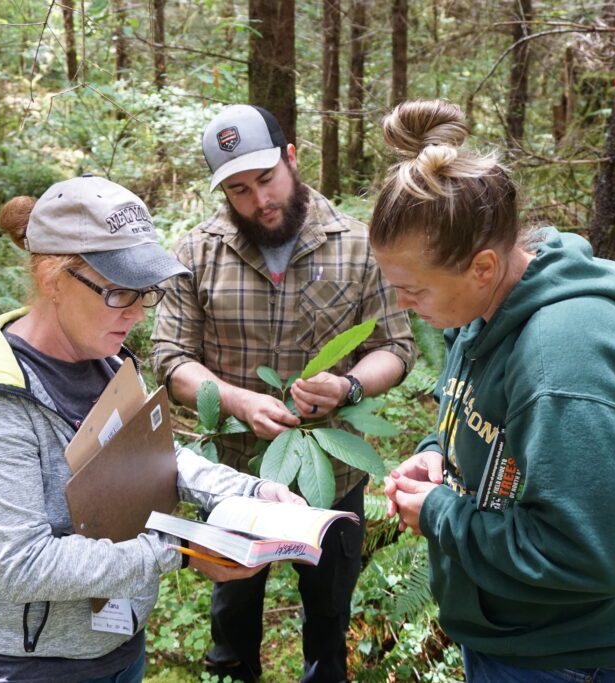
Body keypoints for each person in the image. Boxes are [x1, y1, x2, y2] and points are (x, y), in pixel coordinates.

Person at [0, 175, 302, 683]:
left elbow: (153, 454)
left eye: (144, 292)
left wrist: (249, 491)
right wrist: (184, 550)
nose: (137, 314)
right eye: (118, 292)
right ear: (52, 279)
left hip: (119, 645)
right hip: (32, 667)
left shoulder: (106, 359)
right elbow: (20, 564)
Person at [372, 99, 615, 682]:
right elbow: (480, 418)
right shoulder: (487, 309)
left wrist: (441, 514)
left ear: (483, 265)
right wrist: (437, 454)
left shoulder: (565, 369)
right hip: (516, 633)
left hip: (567, 656)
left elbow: (589, 555)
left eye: (412, 290)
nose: (402, 306)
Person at [151, 104, 417, 682]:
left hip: (334, 473)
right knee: (233, 609)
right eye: (239, 189)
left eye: (266, 178)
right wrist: (238, 401)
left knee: (329, 610)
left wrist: (347, 386)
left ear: (291, 158)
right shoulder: (196, 254)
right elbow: (171, 359)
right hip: (236, 476)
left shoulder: (360, 245)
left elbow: (396, 347)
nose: (259, 200)